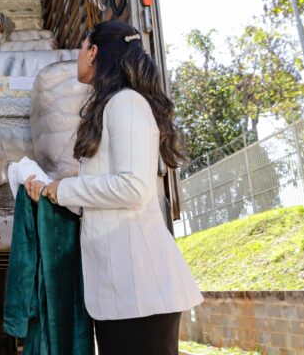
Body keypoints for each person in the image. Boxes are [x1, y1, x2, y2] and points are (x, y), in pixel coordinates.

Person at [24, 20, 203, 355]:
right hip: (122, 291)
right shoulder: (113, 106)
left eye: (81, 47)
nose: (79, 55)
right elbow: (103, 193)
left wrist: (64, 189)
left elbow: (133, 187)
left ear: (94, 53)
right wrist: (51, 191)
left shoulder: (127, 103)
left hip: (143, 292)